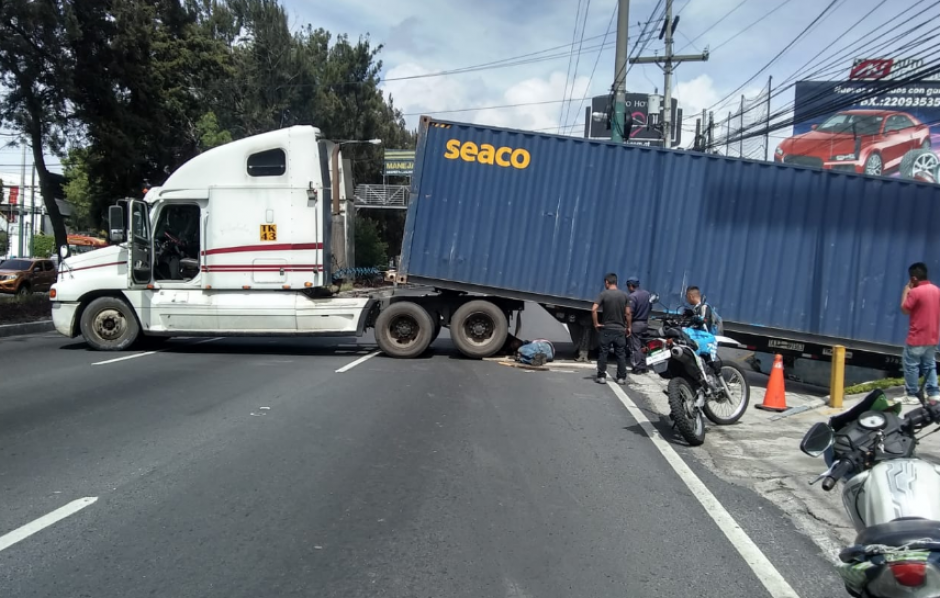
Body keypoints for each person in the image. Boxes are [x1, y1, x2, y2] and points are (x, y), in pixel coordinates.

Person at [900, 262, 940, 404]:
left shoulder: (915, 292)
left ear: (914, 278)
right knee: (930, 365)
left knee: (911, 365)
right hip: (933, 336)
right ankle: (934, 393)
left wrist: (906, 291)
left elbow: (905, 309)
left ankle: (912, 395)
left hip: (917, 336)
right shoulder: (936, 290)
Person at [592, 273, 629, 385]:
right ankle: (621, 378)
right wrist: (629, 327)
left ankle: (602, 376)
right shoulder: (624, 295)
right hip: (620, 329)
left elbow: (593, 309)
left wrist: (596, 323)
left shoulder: (604, 294)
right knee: (621, 354)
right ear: (616, 282)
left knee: (603, 352)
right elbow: (628, 313)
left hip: (606, 328)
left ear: (607, 282)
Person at [625, 277, 651, 374]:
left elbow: (630, 313)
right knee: (643, 346)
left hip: (636, 324)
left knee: (634, 346)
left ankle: (637, 366)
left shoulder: (632, 296)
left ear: (631, 286)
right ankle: (643, 366)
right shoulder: (647, 294)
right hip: (645, 323)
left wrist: (629, 326)